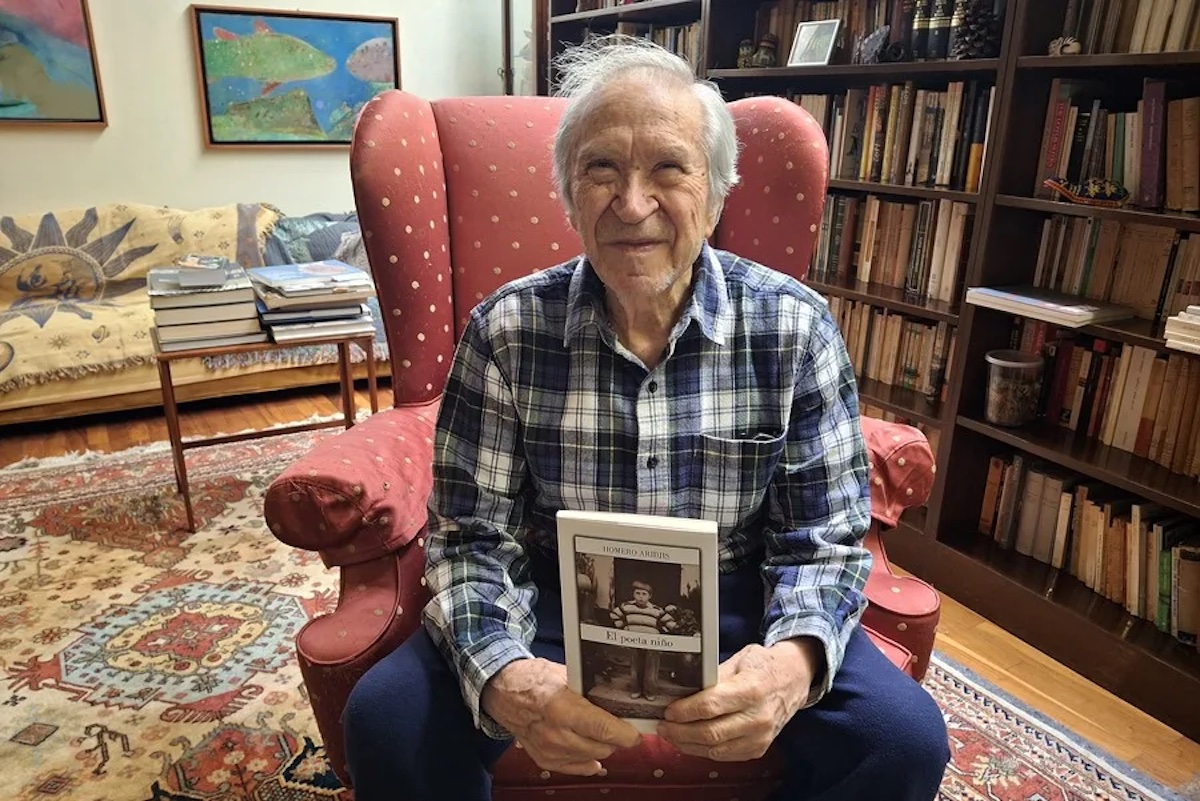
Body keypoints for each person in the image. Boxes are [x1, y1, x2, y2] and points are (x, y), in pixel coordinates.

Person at [342, 33, 950, 801]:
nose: (633, 205)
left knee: (902, 741)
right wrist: (503, 673)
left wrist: (792, 664)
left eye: (669, 168)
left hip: (743, 600)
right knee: (386, 720)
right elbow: (471, 538)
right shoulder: (505, 331)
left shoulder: (795, 328)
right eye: (601, 169)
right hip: (552, 601)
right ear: (568, 192)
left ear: (716, 192)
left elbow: (823, 537)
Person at [610, 579, 678, 701]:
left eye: (644, 594)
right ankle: (635, 689)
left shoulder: (656, 610)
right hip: (634, 642)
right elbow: (614, 615)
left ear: (650, 596)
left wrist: (661, 633)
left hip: (651, 645)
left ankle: (649, 691)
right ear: (633, 594)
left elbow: (670, 622)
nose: (641, 597)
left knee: (651, 669)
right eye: (638, 593)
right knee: (635, 668)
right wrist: (623, 628)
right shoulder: (627, 607)